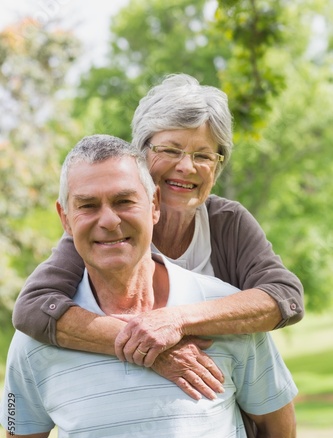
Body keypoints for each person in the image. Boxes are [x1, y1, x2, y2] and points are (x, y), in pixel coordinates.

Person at [1, 135, 297, 438]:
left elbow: (277, 425)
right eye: (88, 206)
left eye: (125, 201)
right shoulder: (36, 339)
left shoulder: (226, 311)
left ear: (154, 205)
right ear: (65, 217)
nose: (108, 220)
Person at [12, 73, 304, 400]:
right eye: (171, 150)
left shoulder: (228, 223)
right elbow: (33, 309)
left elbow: (284, 297)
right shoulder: (106, 232)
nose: (186, 167)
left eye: (203, 155)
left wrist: (177, 320)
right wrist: (151, 347)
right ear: (141, 153)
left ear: (218, 165)